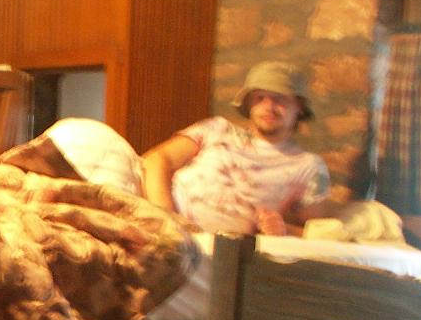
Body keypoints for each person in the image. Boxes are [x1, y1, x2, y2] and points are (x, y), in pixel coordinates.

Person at [142, 60, 338, 236]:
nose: (268, 107)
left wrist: (284, 230)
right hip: (163, 227)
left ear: (299, 107)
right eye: (259, 98)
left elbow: (317, 234)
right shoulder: (217, 129)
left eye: (279, 99)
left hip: (222, 251)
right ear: (249, 103)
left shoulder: (308, 166)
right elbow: (156, 160)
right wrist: (167, 220)